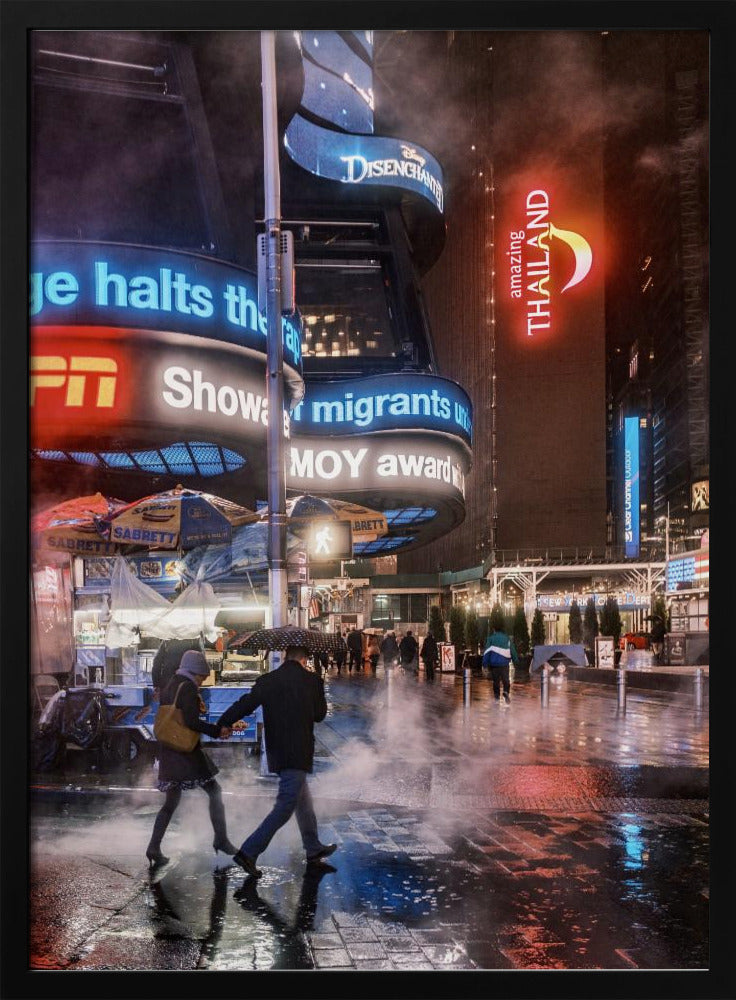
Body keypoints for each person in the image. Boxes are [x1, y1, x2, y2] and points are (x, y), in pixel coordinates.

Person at [216, 645, 337, 878]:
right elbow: (319, 715)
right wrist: (316, 689)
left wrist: (224, 722)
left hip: (278, 750)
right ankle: (248, 852)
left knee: (302, 800)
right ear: (304, 659)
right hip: (299, 750)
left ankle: (313, 847)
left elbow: (245, 704)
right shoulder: (312, 681)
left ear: (285, 656)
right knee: (286, 804)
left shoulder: (269, 680)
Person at [146, 650, 236, 867]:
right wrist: (217, 731)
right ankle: (221, 839)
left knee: (171, 801)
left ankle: (153, 847)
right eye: (202, 676)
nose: (203, 680)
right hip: (185, 751)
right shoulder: (187, 687)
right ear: (194, 671)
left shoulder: (171, 684)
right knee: (214, 791)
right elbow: (191, 722)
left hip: (169, 749)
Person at [482, 626, 519, 705]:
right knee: (506, 680)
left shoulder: (491, 638)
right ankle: (506, 691)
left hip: (494, 664)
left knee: (496, 681)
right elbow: (512, 650)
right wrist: (516, 660)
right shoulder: (507, 638)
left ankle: (497, 697)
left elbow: (487, 652)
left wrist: (484, 663)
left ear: (494, 630)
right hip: (504, 663)